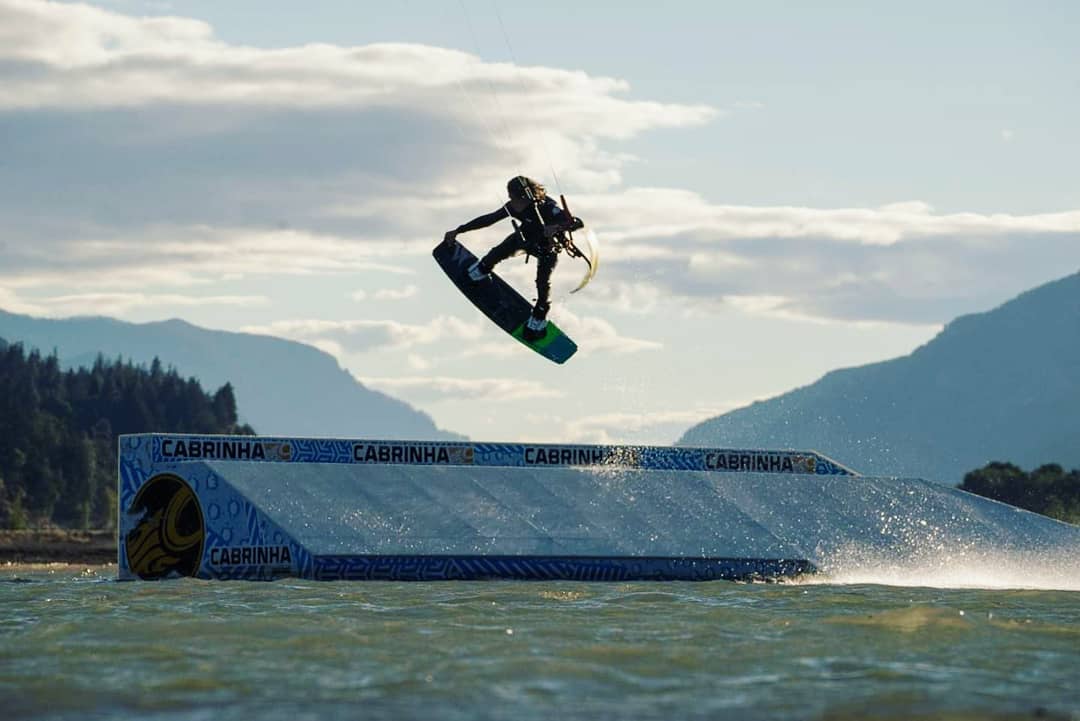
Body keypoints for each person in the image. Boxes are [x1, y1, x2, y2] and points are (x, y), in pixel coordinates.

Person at [443, 176, 581, 340]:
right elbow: (489, 219)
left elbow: (576, 223)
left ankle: (538, 321)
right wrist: (459, 230)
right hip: (525, 239)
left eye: (512, 196)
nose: (509, 199)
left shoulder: (547, 206)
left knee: (542, 284)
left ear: (524, 196)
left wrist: (555, 227)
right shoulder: (513, 207)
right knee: (497, 252)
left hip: (547, 248)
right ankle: (480, 271)